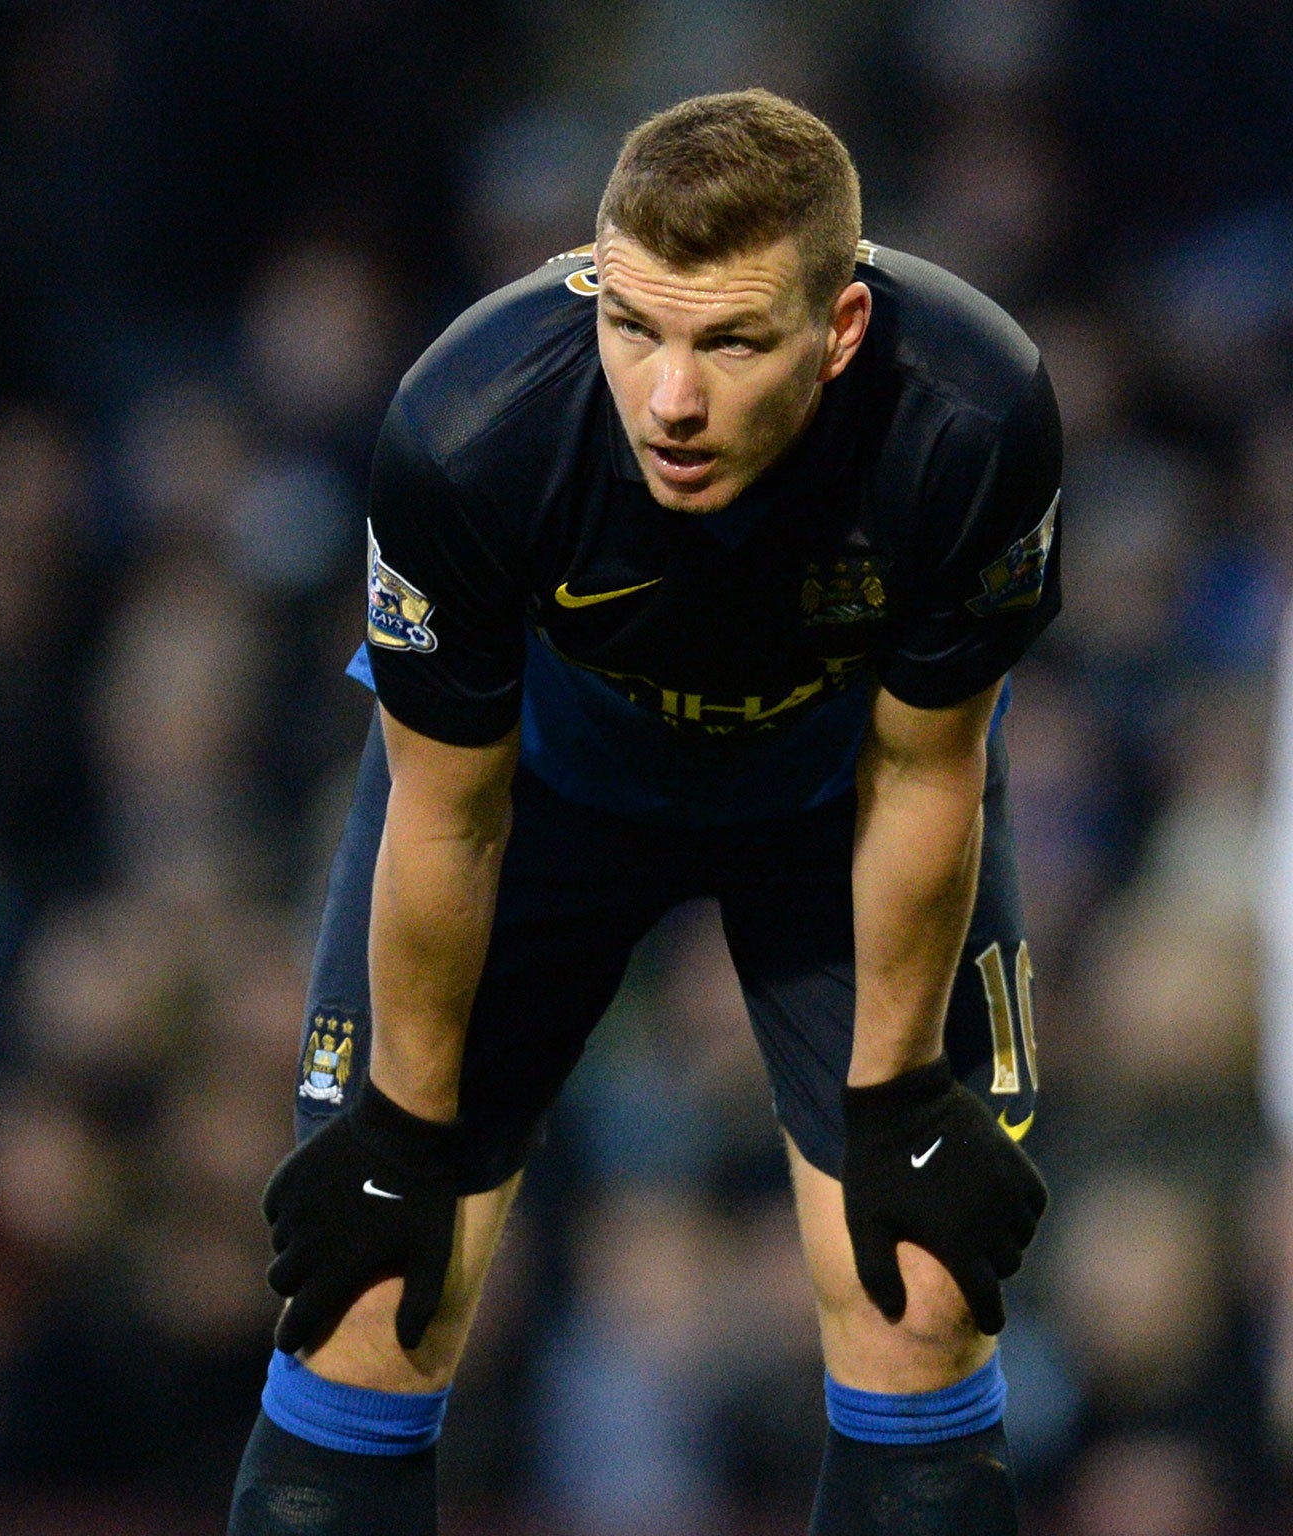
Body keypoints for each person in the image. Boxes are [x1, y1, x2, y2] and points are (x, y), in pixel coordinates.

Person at [228, 90, 1056, 1536]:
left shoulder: (972, 417)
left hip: (837, 805)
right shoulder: (470, 426)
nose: (671, 398)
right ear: (595, 287)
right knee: (371, 1275)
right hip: (536, 800)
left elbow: (931, 771)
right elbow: (447, 812)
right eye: (636, 328)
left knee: (917, 1282)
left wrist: (899, 1100)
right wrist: (407, 1133)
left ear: (842, 332)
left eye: (732, 342)